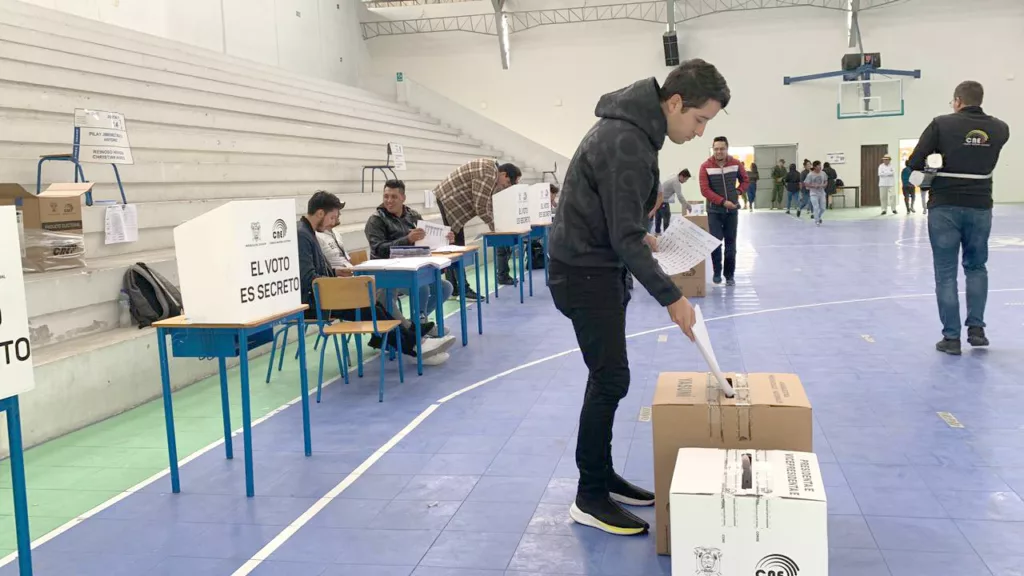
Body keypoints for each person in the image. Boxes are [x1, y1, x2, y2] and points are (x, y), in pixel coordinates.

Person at [548, 58, 726, 536]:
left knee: (608, 377)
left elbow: (616, 221)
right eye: (698, 119)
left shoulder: (633, 131)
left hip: (592, 266)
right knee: (610, 379)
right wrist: (673, 297)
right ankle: (589, 495)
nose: (698, 129)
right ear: (673, 103)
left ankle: (602, 476)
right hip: (584, 274)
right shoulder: (626, 139)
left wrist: (644, 238)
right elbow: (622, 235)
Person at [906, 80, 1010, 355]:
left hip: (945, 207)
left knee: (946, 273)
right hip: (980, 206)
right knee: (976, 267)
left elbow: (914, 163)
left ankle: (951, 338)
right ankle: (977, 329)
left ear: (957, 100)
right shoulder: (1000, 129)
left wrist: (933, 163)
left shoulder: (941, 124)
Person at [298, 191, 455, 365]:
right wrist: (338, 283)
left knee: (376, 306)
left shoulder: (308, 232)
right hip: (319, 304)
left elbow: (313, 272)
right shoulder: (303, 235)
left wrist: (335, 272)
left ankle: (416, 343)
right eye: (332, 217)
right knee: (374, 308)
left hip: (326, 297)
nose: (332, 223)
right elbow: (308, 279)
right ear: (320, 213)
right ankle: (417, 345)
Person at [364, 179, 455, 336]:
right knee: (422, 287)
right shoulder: (376, 220)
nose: (389, 201)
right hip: (386, 273)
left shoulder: (413, 216)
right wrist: (407, 239)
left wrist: (445, 238)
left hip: (411, 269)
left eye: (393, 197)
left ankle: (418, 321)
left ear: (403, 198)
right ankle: (418, 327)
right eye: (386, 196)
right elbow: (379, 250)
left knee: (445, 287)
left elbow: (426, 241)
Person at [432, 159, 522, 296]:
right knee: (456, 246)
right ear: (503, 174)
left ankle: (454, 287)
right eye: (508, 182)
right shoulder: (488, 174)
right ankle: (462, 288)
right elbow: (481, 207)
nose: (506, 186)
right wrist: (496, 227)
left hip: (450, 197)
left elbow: (487, 203)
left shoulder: (491, 172)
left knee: (454, 244)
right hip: (449, 198)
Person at [699, 136, 747, 286]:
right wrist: (722, 202)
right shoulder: (705, 166)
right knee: (715, 243)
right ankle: (717, 272)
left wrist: (738, 192)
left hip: (732, 212)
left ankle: (730, 275)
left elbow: (745, 180)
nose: (719, 151)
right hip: (714, 212)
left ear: (727, 149)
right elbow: (705, 190)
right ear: (713, 149)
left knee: (731, 244)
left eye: (722, 148)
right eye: (716, 148)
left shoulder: (736, 164)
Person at [654, 169, 691, 233]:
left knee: (658, 218)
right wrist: (688, 206)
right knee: (666, 219)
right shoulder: (676, 182)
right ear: (682, 176)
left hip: (657, 200)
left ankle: (657, 233)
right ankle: (666, 235)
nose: (685, 181)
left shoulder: (673, 179)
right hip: (663, 201)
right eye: (686, 179)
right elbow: (680, 196)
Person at [804, 160, 828, 226]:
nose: (820, 167)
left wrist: (824, 185)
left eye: (820, 165)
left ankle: (819, 216)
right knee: (816, 207)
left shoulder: (823, 173)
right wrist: (813, 186)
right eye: (818, 165)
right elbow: (806, 184)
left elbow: (826, 181)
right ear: (815, 167)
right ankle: (817, 220)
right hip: (813, 193)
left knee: (823, 208)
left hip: (822, 193)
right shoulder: (810, 174)